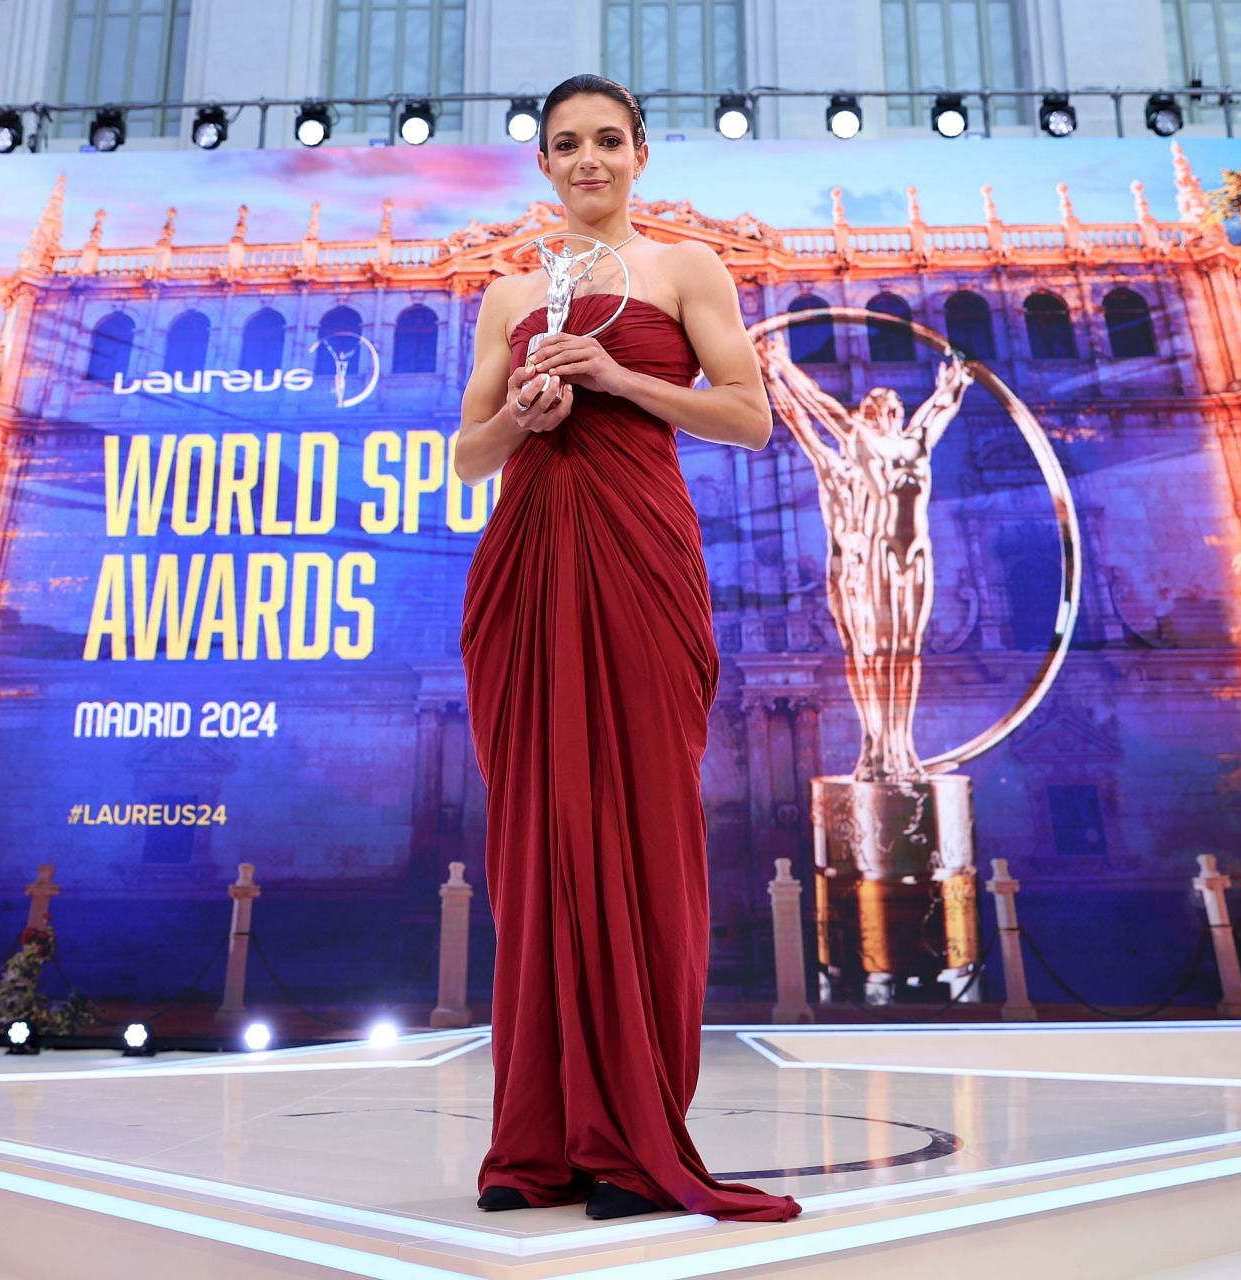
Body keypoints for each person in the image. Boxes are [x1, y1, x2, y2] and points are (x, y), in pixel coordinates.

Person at [453, 73, 803, 1224]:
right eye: (567, 144)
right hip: (529, 558)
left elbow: (750, 414)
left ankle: (625, 1137)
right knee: (534, 839)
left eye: (608, 139)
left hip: (641, 556)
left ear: (641, 153)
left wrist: (621, 381)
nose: (588, 159)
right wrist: (526, 418)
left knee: (644, 826)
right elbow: (468, 453)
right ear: (543, 163)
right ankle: (535, 1141)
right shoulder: (505, 293)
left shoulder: (686, 269)